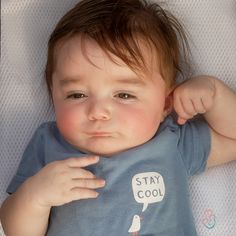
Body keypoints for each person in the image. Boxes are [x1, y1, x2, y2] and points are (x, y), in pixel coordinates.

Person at [1, 0, 236, 235]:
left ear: (165, 102)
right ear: (54, 94)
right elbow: (16, 231)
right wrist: (35, 197)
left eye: (124, 94)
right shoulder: (49, 144)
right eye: (77, 94)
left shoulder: (172, 142)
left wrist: (215, 94)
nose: (97, 112)